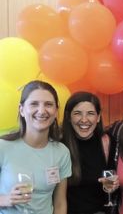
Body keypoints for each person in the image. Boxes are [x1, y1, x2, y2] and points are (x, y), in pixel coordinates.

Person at [0, 80, 71, 214]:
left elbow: (60, 203)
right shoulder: (3, 147)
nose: (41, 110)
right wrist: (6, 199)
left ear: (56, 111)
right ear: (21, 110)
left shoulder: (61, 152)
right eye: (34, 104)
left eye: (48, 105)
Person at [61, 91, 118, 214]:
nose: (84, 120)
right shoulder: (59, 144)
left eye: (90, 114)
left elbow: (112, 182)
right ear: (68, 117)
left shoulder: (107, 142)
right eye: (77, 114)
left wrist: (114, 186)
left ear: (98, 117)